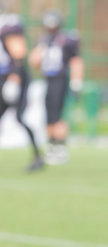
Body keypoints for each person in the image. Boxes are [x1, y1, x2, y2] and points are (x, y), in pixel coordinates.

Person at [0, 0, 44, 172]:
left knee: (20, 116)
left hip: (14, 77)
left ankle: (38, 156)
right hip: (0, 78)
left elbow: (19, 52)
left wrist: (14, 79)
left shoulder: (6, 25)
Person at [29, 10, 84, 165]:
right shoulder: (43, 41)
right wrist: (40, 47)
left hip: (60, 79)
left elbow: (75, 61)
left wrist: (76, 82)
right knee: (49, 115)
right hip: (48, 79)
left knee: (57, 115)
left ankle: (60, 147)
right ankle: (52, 145)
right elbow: (34, 62)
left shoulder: (67, 39)